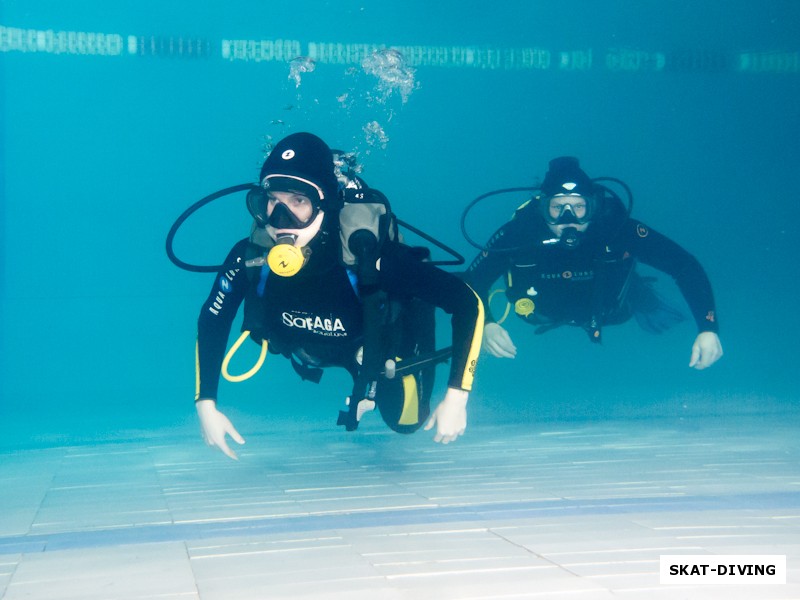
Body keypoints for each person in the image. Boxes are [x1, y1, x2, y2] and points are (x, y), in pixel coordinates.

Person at [195, 132, 484, 459]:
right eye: (272, 202)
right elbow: (213, 317)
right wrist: (206, 403)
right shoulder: (250, 255)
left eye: (298, 202)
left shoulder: (367, 256)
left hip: (373, 347)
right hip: (309, 349)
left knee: (406, 421)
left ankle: (416, 315)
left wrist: (457, 397)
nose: (280, 220)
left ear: (325, 206)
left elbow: (466, 303)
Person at [463, 156, 723, 368]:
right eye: (557, 208)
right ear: (543, 209)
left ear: (594, 207)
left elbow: (684, 265)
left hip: (611, 310)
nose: (568, 218)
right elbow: (473, 281)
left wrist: (708, 327)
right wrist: (486, 323)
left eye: (578, 207)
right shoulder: (519, 232)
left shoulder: (616, 228)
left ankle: (636, 289)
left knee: (631, 296)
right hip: (540, 312)